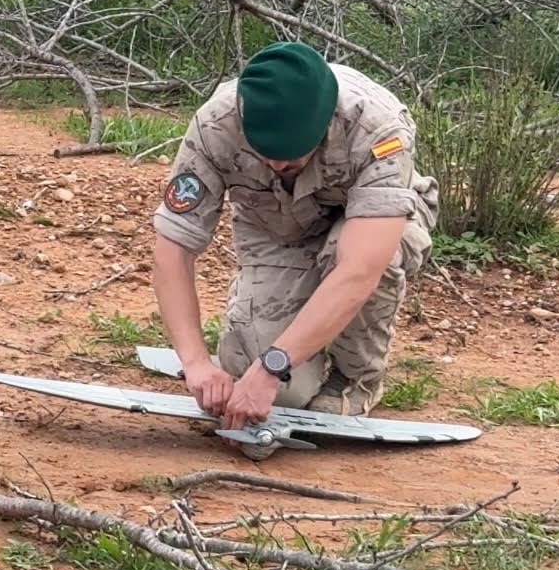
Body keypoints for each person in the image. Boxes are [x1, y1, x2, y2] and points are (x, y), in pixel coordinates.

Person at [150, 42, 438, 451]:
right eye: (265, 157)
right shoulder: (216, 124)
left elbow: (359, 269)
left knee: (370, 255)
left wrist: (271, 368)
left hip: (364, 229)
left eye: (291, 160)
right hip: (276, 232)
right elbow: (172, 249)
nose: (277, 167)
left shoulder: (376, 127)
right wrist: (195, 363)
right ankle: (288, 341)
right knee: (281, 402)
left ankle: (355, 379)